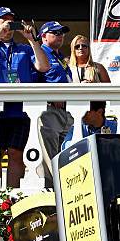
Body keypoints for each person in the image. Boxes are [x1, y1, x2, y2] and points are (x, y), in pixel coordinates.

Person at [0, 7, 50, 188]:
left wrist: (32, 40)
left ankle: (11, 196)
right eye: (3, 20)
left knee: (17, 154)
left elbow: (44, 67)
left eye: (11, 21)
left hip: (19, 111)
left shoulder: (24, 48)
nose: (8, 24)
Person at [35, 21, 74, 188]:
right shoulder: (39, 52)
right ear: (43, 36)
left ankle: (62, 190)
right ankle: (52, 193)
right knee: (50, 156)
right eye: (55, 33)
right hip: (49, 109)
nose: (60, 36)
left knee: (63, 155)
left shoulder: (60, 56)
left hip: (66, 111)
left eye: (62, 33)